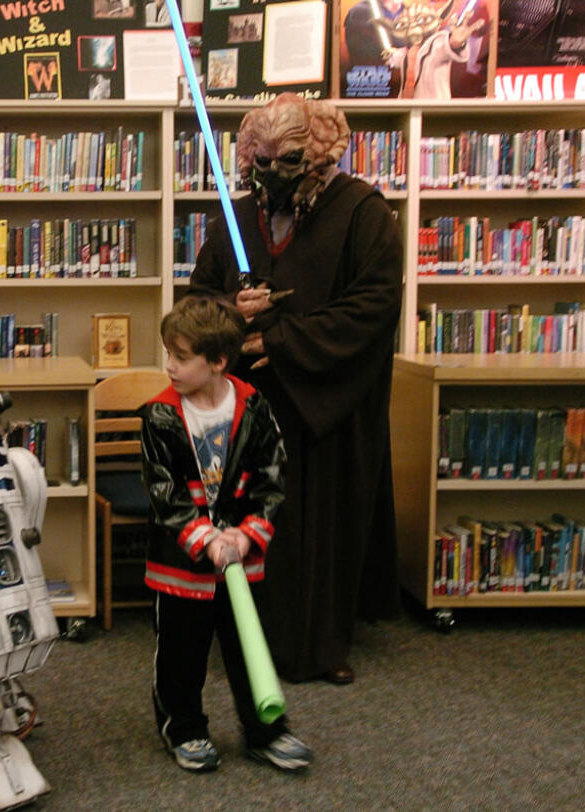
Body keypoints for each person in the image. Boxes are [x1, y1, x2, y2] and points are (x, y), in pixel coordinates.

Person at [186, 93, 403, 686]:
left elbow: (373, 308)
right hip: (250, 413)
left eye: (287, 162)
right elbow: (196, 301)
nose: (270, 176)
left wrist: (277, 342)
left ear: (320, 157)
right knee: (251, 520)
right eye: (260, 162)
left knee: (315, 531)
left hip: (322, 409)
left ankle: (319, 645)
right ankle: (242, 638)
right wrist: (231, 309)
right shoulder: (235, 218)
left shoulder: (364, 214)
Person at [140, 296, 312, 774]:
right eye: (167, 354)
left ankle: (265, 732)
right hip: (181, 568)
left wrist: (244, 535)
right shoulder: (159, 416)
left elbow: (271, 479)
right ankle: (186, 729)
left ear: (217, 361)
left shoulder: (255, 408)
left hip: (241, 560)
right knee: (181, 655)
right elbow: (164, 491)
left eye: (180, 356)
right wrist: (206, 539)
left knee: (248, 649)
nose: (169, 366)